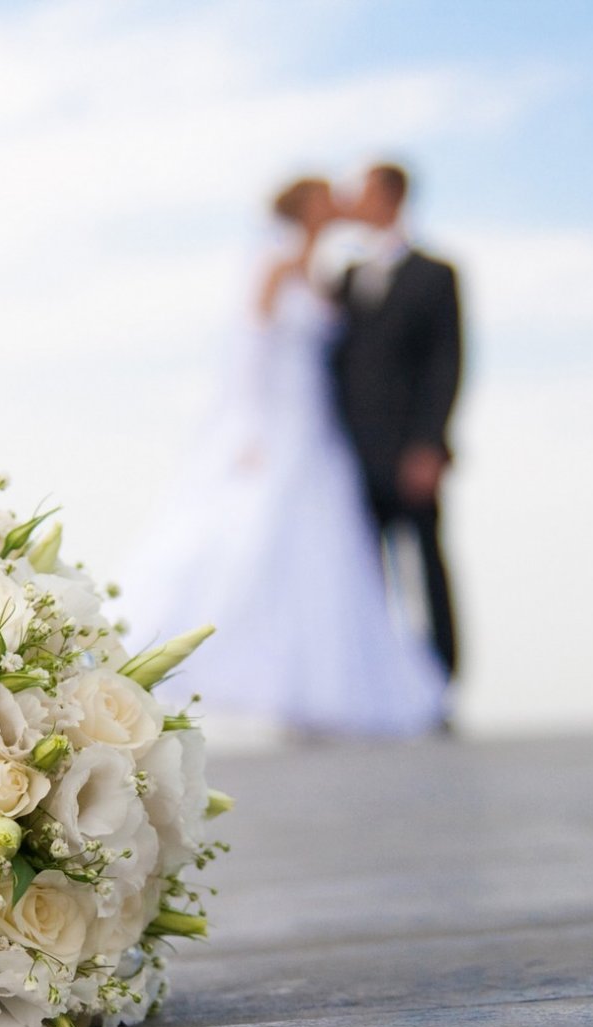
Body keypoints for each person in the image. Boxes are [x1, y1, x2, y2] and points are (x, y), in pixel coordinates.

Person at [119, 177, 447, 738]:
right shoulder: (272, 265)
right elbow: (248, 348)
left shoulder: (326, 274)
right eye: (326, 197)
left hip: (320, 429)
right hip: (277, 424)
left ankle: (317, 692)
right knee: (256, 544)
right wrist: (249, 428)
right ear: (301, 209)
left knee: (325, 558)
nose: (339, 204)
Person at [327, 163, 464, 682]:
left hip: (411, 453)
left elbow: (447, 364)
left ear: (390, 197)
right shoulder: (342, 280)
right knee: (361, 577)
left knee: (426, 567)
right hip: (348, 456)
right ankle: (375, 687)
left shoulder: (436, 274)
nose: (351, 202)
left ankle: (441, 683)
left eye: (359, 192)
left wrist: (430, 444)